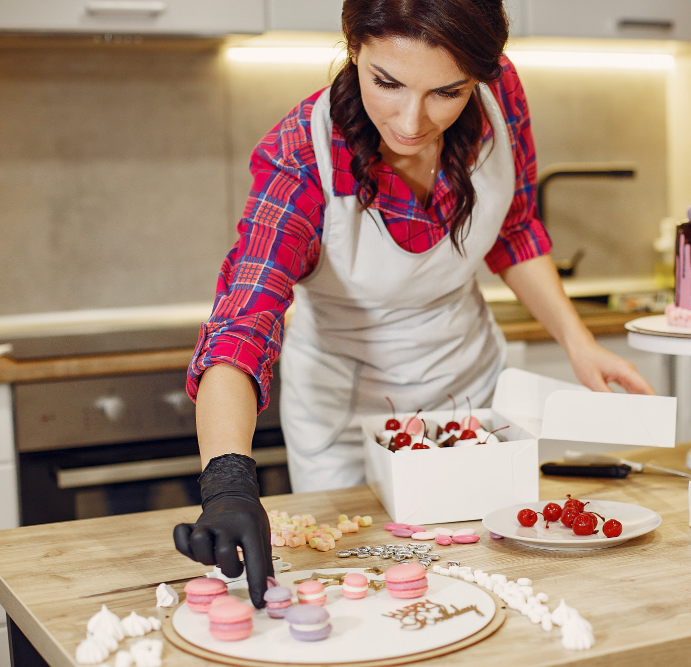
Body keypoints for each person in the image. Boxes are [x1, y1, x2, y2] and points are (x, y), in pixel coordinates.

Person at [174, 0, 655, 608]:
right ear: (354, 51)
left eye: (446, 93)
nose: (410, 120)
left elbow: (515, 229)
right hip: (344, 417)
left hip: (466, 392)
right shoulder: (302, 156)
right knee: (369, 596)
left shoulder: (500, 93)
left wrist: (580, 345)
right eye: (387, 83)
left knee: (490, 589)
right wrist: (227, 482)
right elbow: (244, 319)